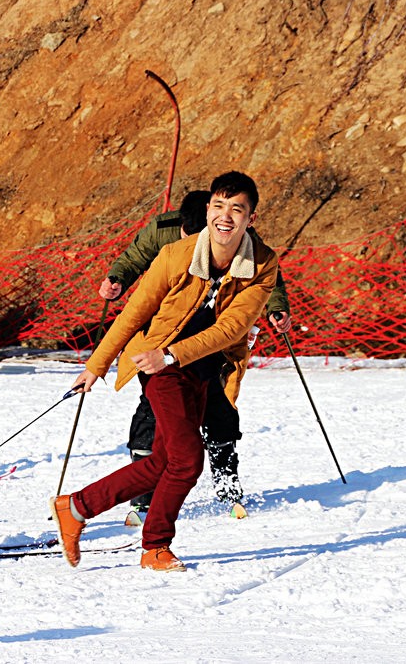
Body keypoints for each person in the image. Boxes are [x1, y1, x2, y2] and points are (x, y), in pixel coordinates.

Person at [51, 171, 279, 572]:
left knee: (165, 460)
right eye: (219, 207)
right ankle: (155, 546)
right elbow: (134, 312)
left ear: (250, 219)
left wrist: (175, 356)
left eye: (237, 209)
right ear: (208, 210)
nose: (226, 217)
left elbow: (233, 328)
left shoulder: (262, 264)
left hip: (201, 368)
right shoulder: (176, 256)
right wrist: (96, 365)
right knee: (188, 460)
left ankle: (77, 507)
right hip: (158, 364)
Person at [99, 191, 293, 514]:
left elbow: (268, 281)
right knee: (152, 412)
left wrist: (277, 309)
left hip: (214, 342)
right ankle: (145, 495)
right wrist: (116, 279)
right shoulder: (163, 234)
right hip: (163, 338)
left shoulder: (240, 236)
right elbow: (133, 259)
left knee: (220, 407)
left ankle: (227, 481)